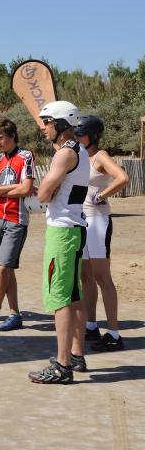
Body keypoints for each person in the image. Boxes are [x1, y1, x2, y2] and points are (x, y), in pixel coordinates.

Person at [28, 101, 89, 384]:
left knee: (60, 297)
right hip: (75, 228)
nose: (42, 127)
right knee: (74, 294)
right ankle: (76, 354)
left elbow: (42, 196)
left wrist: (46, 192)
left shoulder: (64, 155)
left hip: (62, 232)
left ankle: (63, 366)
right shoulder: (80, 150)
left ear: (62, 123)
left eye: (47, 122)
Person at [74, 115, 129, 352]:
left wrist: (101, 195)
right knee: (85, 277)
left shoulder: (100, 156)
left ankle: (114, 334)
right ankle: (91, 325)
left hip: (98, 221)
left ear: (93, 136)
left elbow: (123, 178)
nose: (78, 137)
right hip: (81, 221)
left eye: (81, 133)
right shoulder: (78, 156)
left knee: (102, 278)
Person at [0, 119, 36, 331]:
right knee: (6, 269)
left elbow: (27, 189)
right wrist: (11, 188)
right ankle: (15, 314)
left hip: (16, 219)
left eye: (1, 138)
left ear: (12, 135)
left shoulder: (26, 156)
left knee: (3, 268)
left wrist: (0, 189)